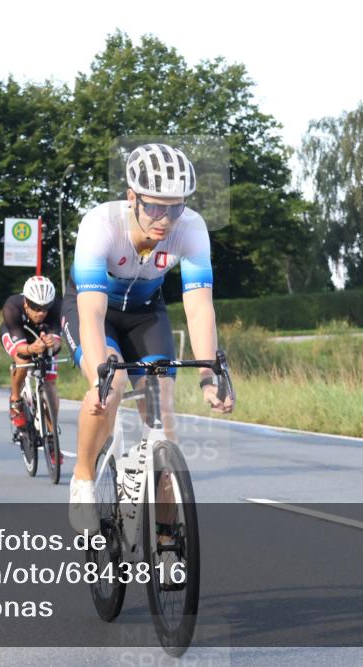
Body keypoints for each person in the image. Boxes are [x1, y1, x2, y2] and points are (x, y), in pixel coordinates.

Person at [61, 143, 235, 533]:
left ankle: (167, 538)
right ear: (131, 198)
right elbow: (90, 313)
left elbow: (198, 305)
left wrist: (209, 376)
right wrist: (98, 377)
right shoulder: (100, 224)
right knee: (112, 382)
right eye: (155, 206)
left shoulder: (191, 228)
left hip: (145, 315)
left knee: (163, 425)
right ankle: (83, 476)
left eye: (175, 207)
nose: (165, 218)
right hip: (94, 311)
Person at [0, 276, 62, 451]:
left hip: (42, 335)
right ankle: (16, 400)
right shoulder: (12, 306)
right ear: (26, 302)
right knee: (23, 362)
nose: (41, 312)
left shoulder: (57, 306)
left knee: (50, 383)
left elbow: (58, 343)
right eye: (35, 307)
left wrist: (53, 343)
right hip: (17, 335)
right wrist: (31, 348)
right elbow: (21, 349)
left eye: (45, 308)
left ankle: (52, 434)